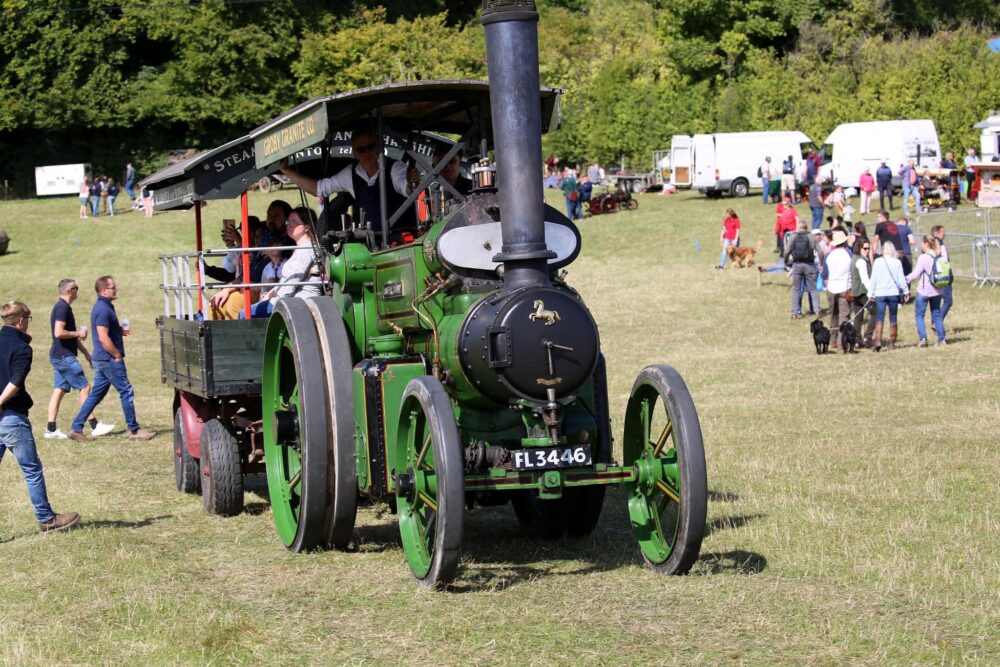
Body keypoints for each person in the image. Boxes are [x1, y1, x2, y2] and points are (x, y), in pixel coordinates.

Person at [0, 301, 81, 533]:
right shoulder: (22, 348)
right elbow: (15, 380)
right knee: (31, 469)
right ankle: (47, 519)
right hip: (11, 418)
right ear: (21, 320)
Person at [278, 123, 415, 243]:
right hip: (374, 244)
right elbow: (319, 189)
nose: (367, 152)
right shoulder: (351, 174)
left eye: (370, 146)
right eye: (361, 149)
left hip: (403, 241)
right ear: (354, 152)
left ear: (378, 146)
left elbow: (407, 188)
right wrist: (286, 170)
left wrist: (410, 182)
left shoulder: (395, 168)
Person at [68, 276, 155, 441]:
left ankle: (76, 428)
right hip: (108, 359)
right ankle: (135, 430)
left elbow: (106, 332)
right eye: (113, 287)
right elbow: (102, 337)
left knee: (95, 395)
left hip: (102, 359)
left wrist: (119, 330)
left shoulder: (106, 307)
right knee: (126, 390)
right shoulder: (102, 309)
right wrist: (116, 355)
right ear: (103, 290)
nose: (116, 289)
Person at [45, 279, 114, 440]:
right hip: (64, 357)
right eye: (76, 288)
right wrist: (79, 333)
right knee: (84, 387)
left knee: (59, 389)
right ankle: (94, 425)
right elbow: (59, 332)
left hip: (58, 355)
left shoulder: (63, 307)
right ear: (69, 291)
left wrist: (86, 354)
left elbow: (69, 336)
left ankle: (51, 429)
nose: (78, 291)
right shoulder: (62, 308)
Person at [249, 207, 324, 318]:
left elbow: (290, 286)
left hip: (300, 301)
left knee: (245, 314)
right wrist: (271, 293)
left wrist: (272, 297)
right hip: (293, 299)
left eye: (294, 222)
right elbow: (287, 281)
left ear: (307, 226)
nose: (289, 224)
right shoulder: (302, 248)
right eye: (288, 221)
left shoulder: (306, 250)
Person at [905, 236, 946, 347]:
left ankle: (923, 338)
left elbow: (915, 274)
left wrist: (905, 279)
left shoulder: (924, 257)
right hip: (937, 291)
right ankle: (941, 339)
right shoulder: (939, 256)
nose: (921, 246)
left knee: (919, 315)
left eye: (922, 243)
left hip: (924, 291)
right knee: (936, 315)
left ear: (926, 244)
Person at [868, 241, 909, 351]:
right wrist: (906, 291)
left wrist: (870, 292)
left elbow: (874, 279)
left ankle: (878, 340)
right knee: (893, 318)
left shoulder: (877, 262)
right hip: (893, 293)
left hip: (880, 293)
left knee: (879, 318)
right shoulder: (897, 262)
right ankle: (892, 343)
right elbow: (901, 279)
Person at [825, 230, 852, 349]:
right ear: (845, 241)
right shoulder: (849, 254)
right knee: (844, 316)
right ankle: (843, 341)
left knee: (833, 315)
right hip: (845, 287)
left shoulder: (829, 255)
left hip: (832, 287)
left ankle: (833, 340)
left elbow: (824, 274)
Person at [786, 220, 819, 319]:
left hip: (797, 265)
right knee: (813, 288)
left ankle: (795, 312)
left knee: (796, 289)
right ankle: (817, 310)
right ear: (806, 227)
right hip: (809, 265)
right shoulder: (811, 237)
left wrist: (785, 261)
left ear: (798, 227)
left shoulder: (793, 237)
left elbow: (787, 251)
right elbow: (820, 252)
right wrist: (820, 263)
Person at [849, 238, 876, 348]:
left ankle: (857, 340)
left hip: (855, 292)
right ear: (859, 248)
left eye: (869, 248)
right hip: (863, 292)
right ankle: (867, 337)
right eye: (865, 248)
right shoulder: (860, 261)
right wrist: (871, 293)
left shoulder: (855, 258)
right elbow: (865, 279)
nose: (867, 250)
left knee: (858, 316)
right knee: (876, 313)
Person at [931, 225, 953, 321]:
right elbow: (945, 261)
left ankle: (935, 320)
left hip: (932, 276)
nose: (944, 234)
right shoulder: (941, 245)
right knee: (948, 301)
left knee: (936, 301)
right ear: (938, 233)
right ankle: (937, 322)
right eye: (943, 232)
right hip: (943, 276)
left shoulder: (929, 244)